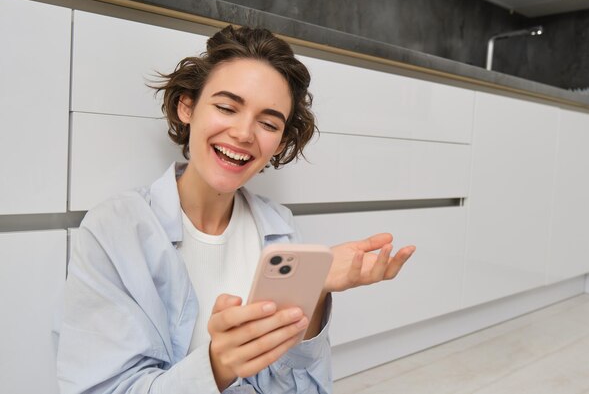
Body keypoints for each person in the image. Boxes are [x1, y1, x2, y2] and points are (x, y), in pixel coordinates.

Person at [56, 25, 415, 394]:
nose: (245, 134)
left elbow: (303, 388)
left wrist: (316, 291)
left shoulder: (280, 229)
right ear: (187, 106)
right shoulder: (114, 231)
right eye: (227, 107)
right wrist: (217, 366)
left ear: (279, 143)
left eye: (268, 123)